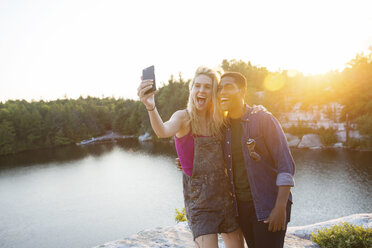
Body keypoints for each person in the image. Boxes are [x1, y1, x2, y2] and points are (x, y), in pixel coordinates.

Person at [137, 67, 244, 248]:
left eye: (208, 87)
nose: (201, 91)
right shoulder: (183, 118)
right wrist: (150, 106)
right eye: (197, 86)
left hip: (226, 198)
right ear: (191, 89)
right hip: (200, 204)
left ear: (214, 92)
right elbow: (162, 131)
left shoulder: (220, 120)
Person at [217, 71, 295, 248]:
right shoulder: (223, 127)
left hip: (268, 205)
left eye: (228, 87)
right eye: (219, 88)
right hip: (241, 209)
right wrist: (183, 161)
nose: (222, 92)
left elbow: (285, 166)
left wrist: (280, 207)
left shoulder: (263, 119)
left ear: (242, 91)